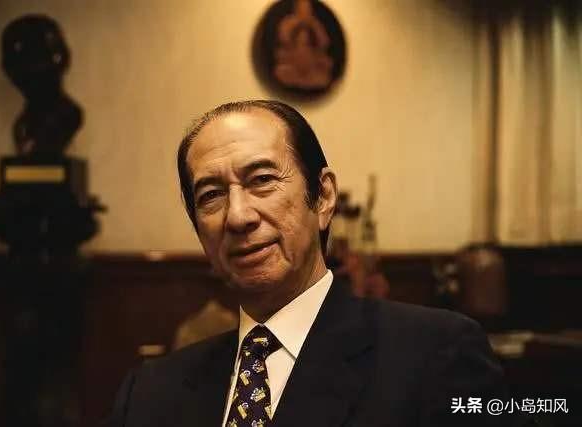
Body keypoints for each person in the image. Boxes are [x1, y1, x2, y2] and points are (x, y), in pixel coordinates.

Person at [109, 100, 530, 426]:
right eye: (211, 195)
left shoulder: (437, 354)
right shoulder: (148, 393)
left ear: (324, 197)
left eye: (262, 180)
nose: (237, 216)